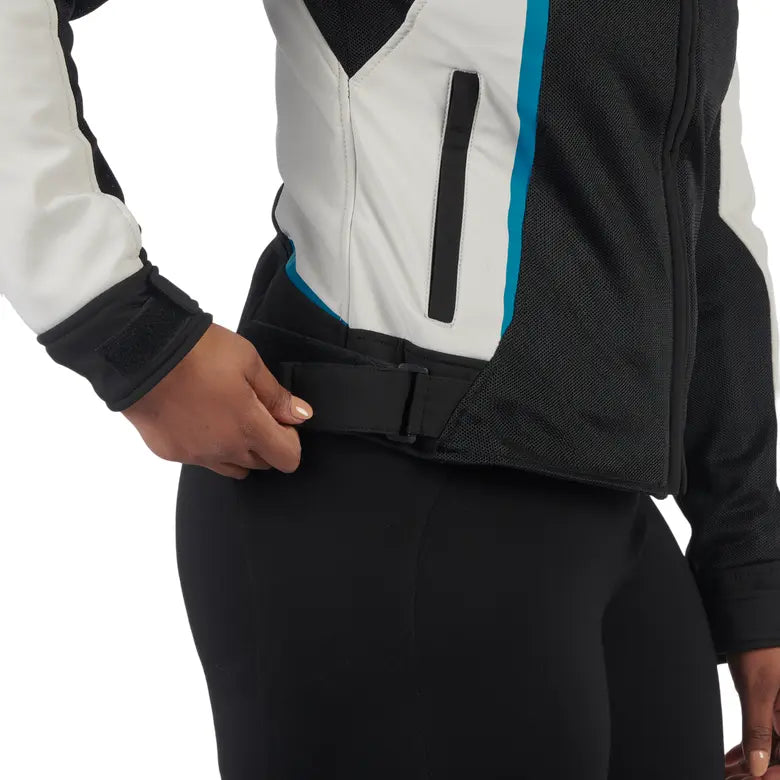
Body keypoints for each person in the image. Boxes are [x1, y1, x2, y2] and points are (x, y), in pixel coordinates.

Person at [2, 0, 779, 778]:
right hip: (380, 496)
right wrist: (126, 331)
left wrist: (751, 569)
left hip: (615, 532)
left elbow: (708, 223)